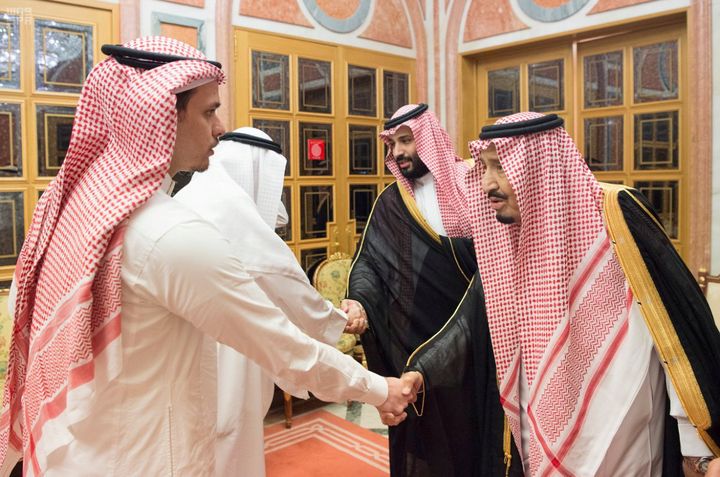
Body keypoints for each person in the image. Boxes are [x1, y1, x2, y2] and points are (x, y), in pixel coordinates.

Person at [0, 37, 415, 476]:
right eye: (208, 111)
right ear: (158, 117)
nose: (220, 128)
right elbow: (283, 346)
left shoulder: (71, 211)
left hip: (72, 451)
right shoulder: (167, 233)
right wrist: (379, 389)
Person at [403, 111, 720, 475]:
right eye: (485, 168)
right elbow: (470, 324)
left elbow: (677, 338)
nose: (488, 183)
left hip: (624, 435)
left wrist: (697, 447)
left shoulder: (617, 215)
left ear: (539, 168)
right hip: (538, 432)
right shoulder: (504, 241)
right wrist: (421, 372)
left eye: (500, 167)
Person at [173, 127, 364, 476]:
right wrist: (336, 320)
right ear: (254, 167)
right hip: (225, 345)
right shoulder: (227, 204)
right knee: (231, 433)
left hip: (198, 339)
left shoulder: (197, 193)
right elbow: (281, 276)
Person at [344, 104, 521, 476]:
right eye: (392, 144)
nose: (399, 152)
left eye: (406, 140)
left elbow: (501, 256)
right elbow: (370, 263)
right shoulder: (392, 201)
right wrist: (359, 301)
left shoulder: (475, 183)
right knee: (426, 441)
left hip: (481, 339)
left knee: (477, 433)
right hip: (414, 342)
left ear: (428, 138)